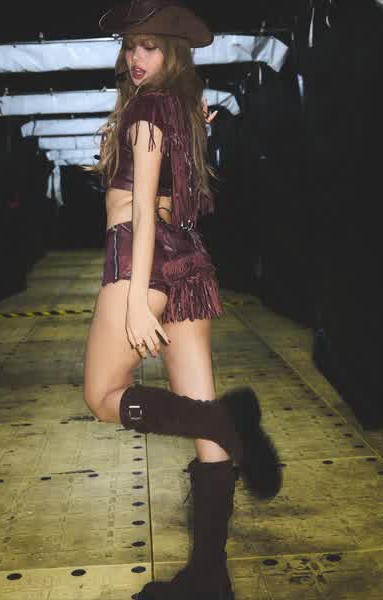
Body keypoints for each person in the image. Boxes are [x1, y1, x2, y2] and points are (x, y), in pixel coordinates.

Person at [82, 1, 283, 598]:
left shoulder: (147, 108)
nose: (135, 57)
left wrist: (135, 300)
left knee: (102, 396)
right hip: (188, 260)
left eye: (149, 46)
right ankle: (209, 575)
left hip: (140, 257)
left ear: (172, 52)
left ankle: (226, 420)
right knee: (201, 424)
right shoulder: (182, 109)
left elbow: (143, 209)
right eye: (130, 45)